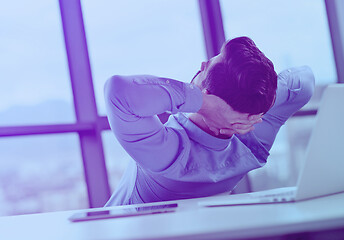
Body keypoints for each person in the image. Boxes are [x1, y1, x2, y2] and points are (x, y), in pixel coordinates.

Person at [104, 36, 315, 206]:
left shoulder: (170, 154)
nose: (203, 63)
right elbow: (305, 80)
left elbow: (118, 91)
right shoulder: (252, 145)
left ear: (206, 92)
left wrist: (204, 104)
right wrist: (258, 102)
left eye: (208, 66)